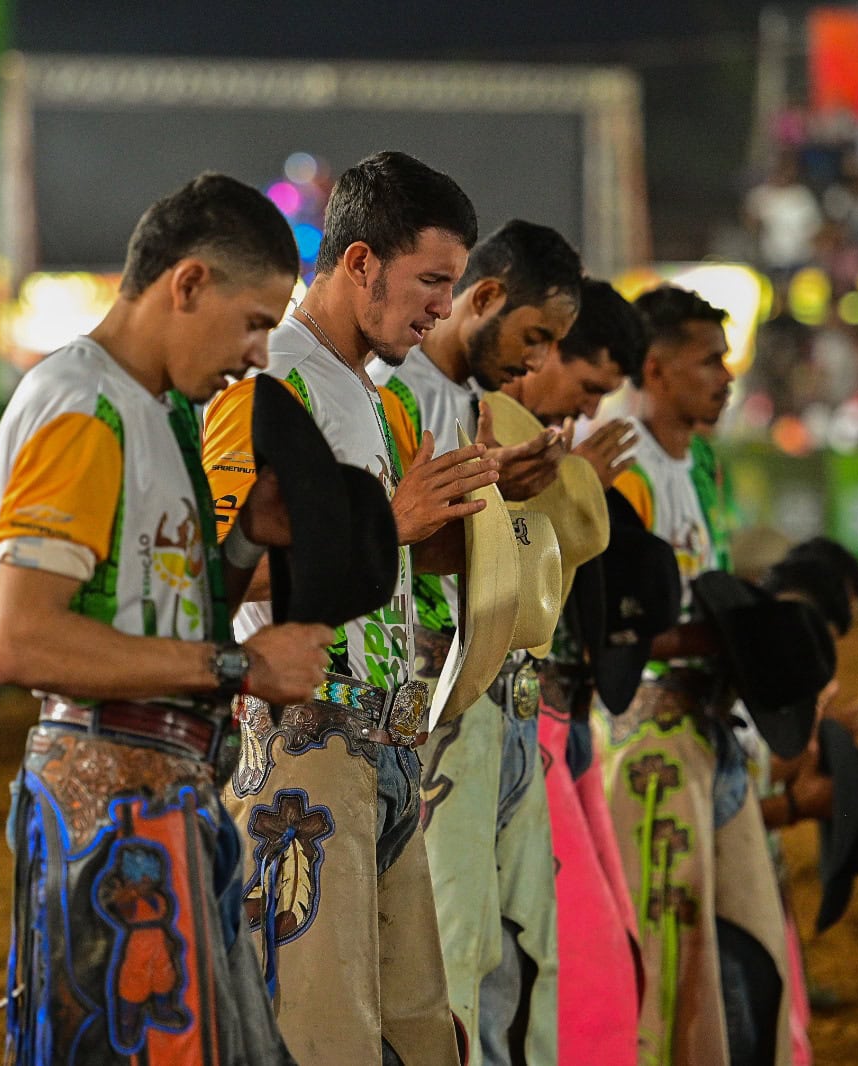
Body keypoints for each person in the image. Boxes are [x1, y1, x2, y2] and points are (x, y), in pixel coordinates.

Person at [0, 173, 334, 1065]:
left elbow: (171, 607)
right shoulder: (83, 409)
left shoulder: (158, 411)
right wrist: (240, 669)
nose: (258, 355)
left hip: (158, 798)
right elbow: (20, 641)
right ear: (188, 284)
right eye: (253, 322)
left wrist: (249, 538)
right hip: (109, 808)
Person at [202, 149, 490, 1066]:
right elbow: (214, 571)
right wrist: (392, 524)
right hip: (303, 749)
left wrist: (482, 517)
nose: (445, 306)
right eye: (432, 280)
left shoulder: (383, 399)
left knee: (416, 1037)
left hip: (388, 753)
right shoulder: (265, 384)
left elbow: (393, 563)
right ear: (361, 262)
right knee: (322, 1038)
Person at [372, 218, 583, 1066]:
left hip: (492, 692)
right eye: (534, 336)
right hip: (438, 700)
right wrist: (493, 490)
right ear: (485, 296)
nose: (537, 364)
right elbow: (394, 549)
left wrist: (504, 487)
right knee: (457, 945)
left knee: (506, 945)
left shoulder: (459, 399)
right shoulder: (396, 387)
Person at [593, 284, 794, 1065]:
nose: (726, 377)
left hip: (711, 731)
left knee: (751, 948)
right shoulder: (620, 467)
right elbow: (612, 630)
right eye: (709, 361)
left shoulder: (703, 460)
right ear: (655, 368)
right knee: (673, 956)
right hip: (651, 739)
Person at [500, 278, 647, 1066]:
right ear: (546, 348)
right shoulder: (494, 431)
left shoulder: (537, 440)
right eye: (587, 387)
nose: (588, 410)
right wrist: (572, 484)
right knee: (572, 957)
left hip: (559, 721)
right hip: (519, 725)